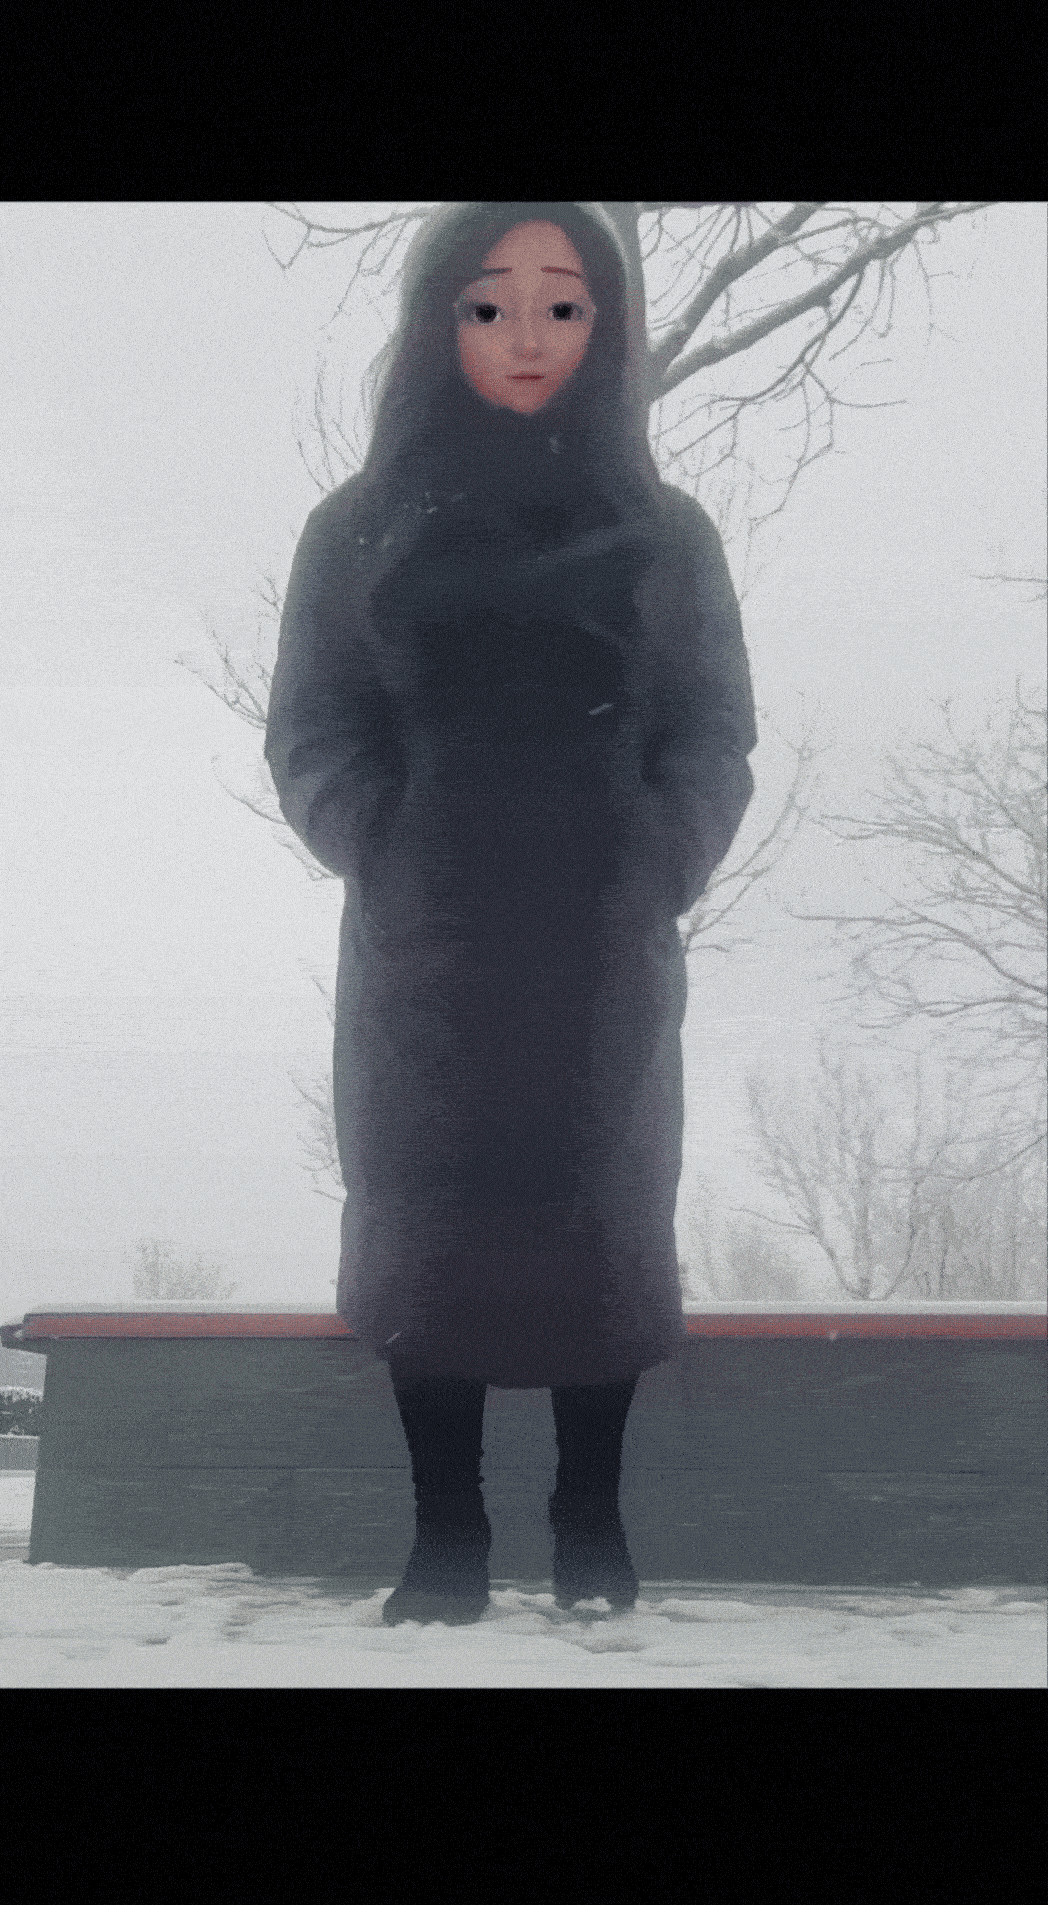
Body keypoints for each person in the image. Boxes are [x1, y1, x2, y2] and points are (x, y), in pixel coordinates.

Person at [265, 204, 757, 1624]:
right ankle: (448, 1538)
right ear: (439, 323)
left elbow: (714, 732)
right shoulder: (358, 529)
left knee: (601, 1219)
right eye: (490, 304)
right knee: (430, 1227)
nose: (528, 334)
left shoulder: (664, 533)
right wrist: (389, 845)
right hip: (428, 954)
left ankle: (590, 1520)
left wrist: (656, 859)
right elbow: (314, 731)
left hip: (603, 949)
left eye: (565, 304)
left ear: (608, 329)